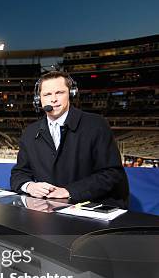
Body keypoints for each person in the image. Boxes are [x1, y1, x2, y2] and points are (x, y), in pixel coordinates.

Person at [10, 71, 128, 208]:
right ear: (38, 99)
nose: (53, 99)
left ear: (71, 94)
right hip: (47, 212)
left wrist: (69, 191)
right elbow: (19, 173)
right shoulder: (30, 132)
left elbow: (112, 173)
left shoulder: (95, 125)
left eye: (59, 93)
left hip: (88, 210)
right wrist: (29, 186)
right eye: (47, 94)